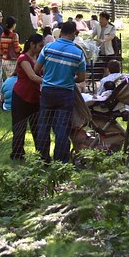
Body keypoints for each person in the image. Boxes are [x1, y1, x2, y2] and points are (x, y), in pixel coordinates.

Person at [35, 21, 88, 163]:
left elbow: (36, 69)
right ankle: (60, 161)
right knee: (61, 128)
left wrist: (49, 73)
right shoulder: (78, 52)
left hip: (47, 91)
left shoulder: (48, 47)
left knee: (43, 126)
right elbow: (82, 77)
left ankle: (42, 158)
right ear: (73, 33)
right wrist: (70, 77)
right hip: (65, 93)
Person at [11, 33, 44, 161]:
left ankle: (40, 154)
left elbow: (44, 72)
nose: (42, 48)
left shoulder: (39, 58)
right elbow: (32, 76)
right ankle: (17, 154)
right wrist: (50, 83)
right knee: (19, 127)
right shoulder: (23, 58)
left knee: (37, 127)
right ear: (32, 45)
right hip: (21, 96)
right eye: (40, 46)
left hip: (35, 97)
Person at [91, 11, 119, 77]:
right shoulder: (97, 26)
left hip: (109, 50)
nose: (101, 20)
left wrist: (104, 40)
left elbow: (112, 36)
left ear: (107, 20)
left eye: (102, 19)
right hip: (99, 49)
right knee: (98, 66)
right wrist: (90, 38)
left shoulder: (111, 27)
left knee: (108, 67)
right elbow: (93, 34)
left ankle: (108, 79)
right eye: (100, 18)